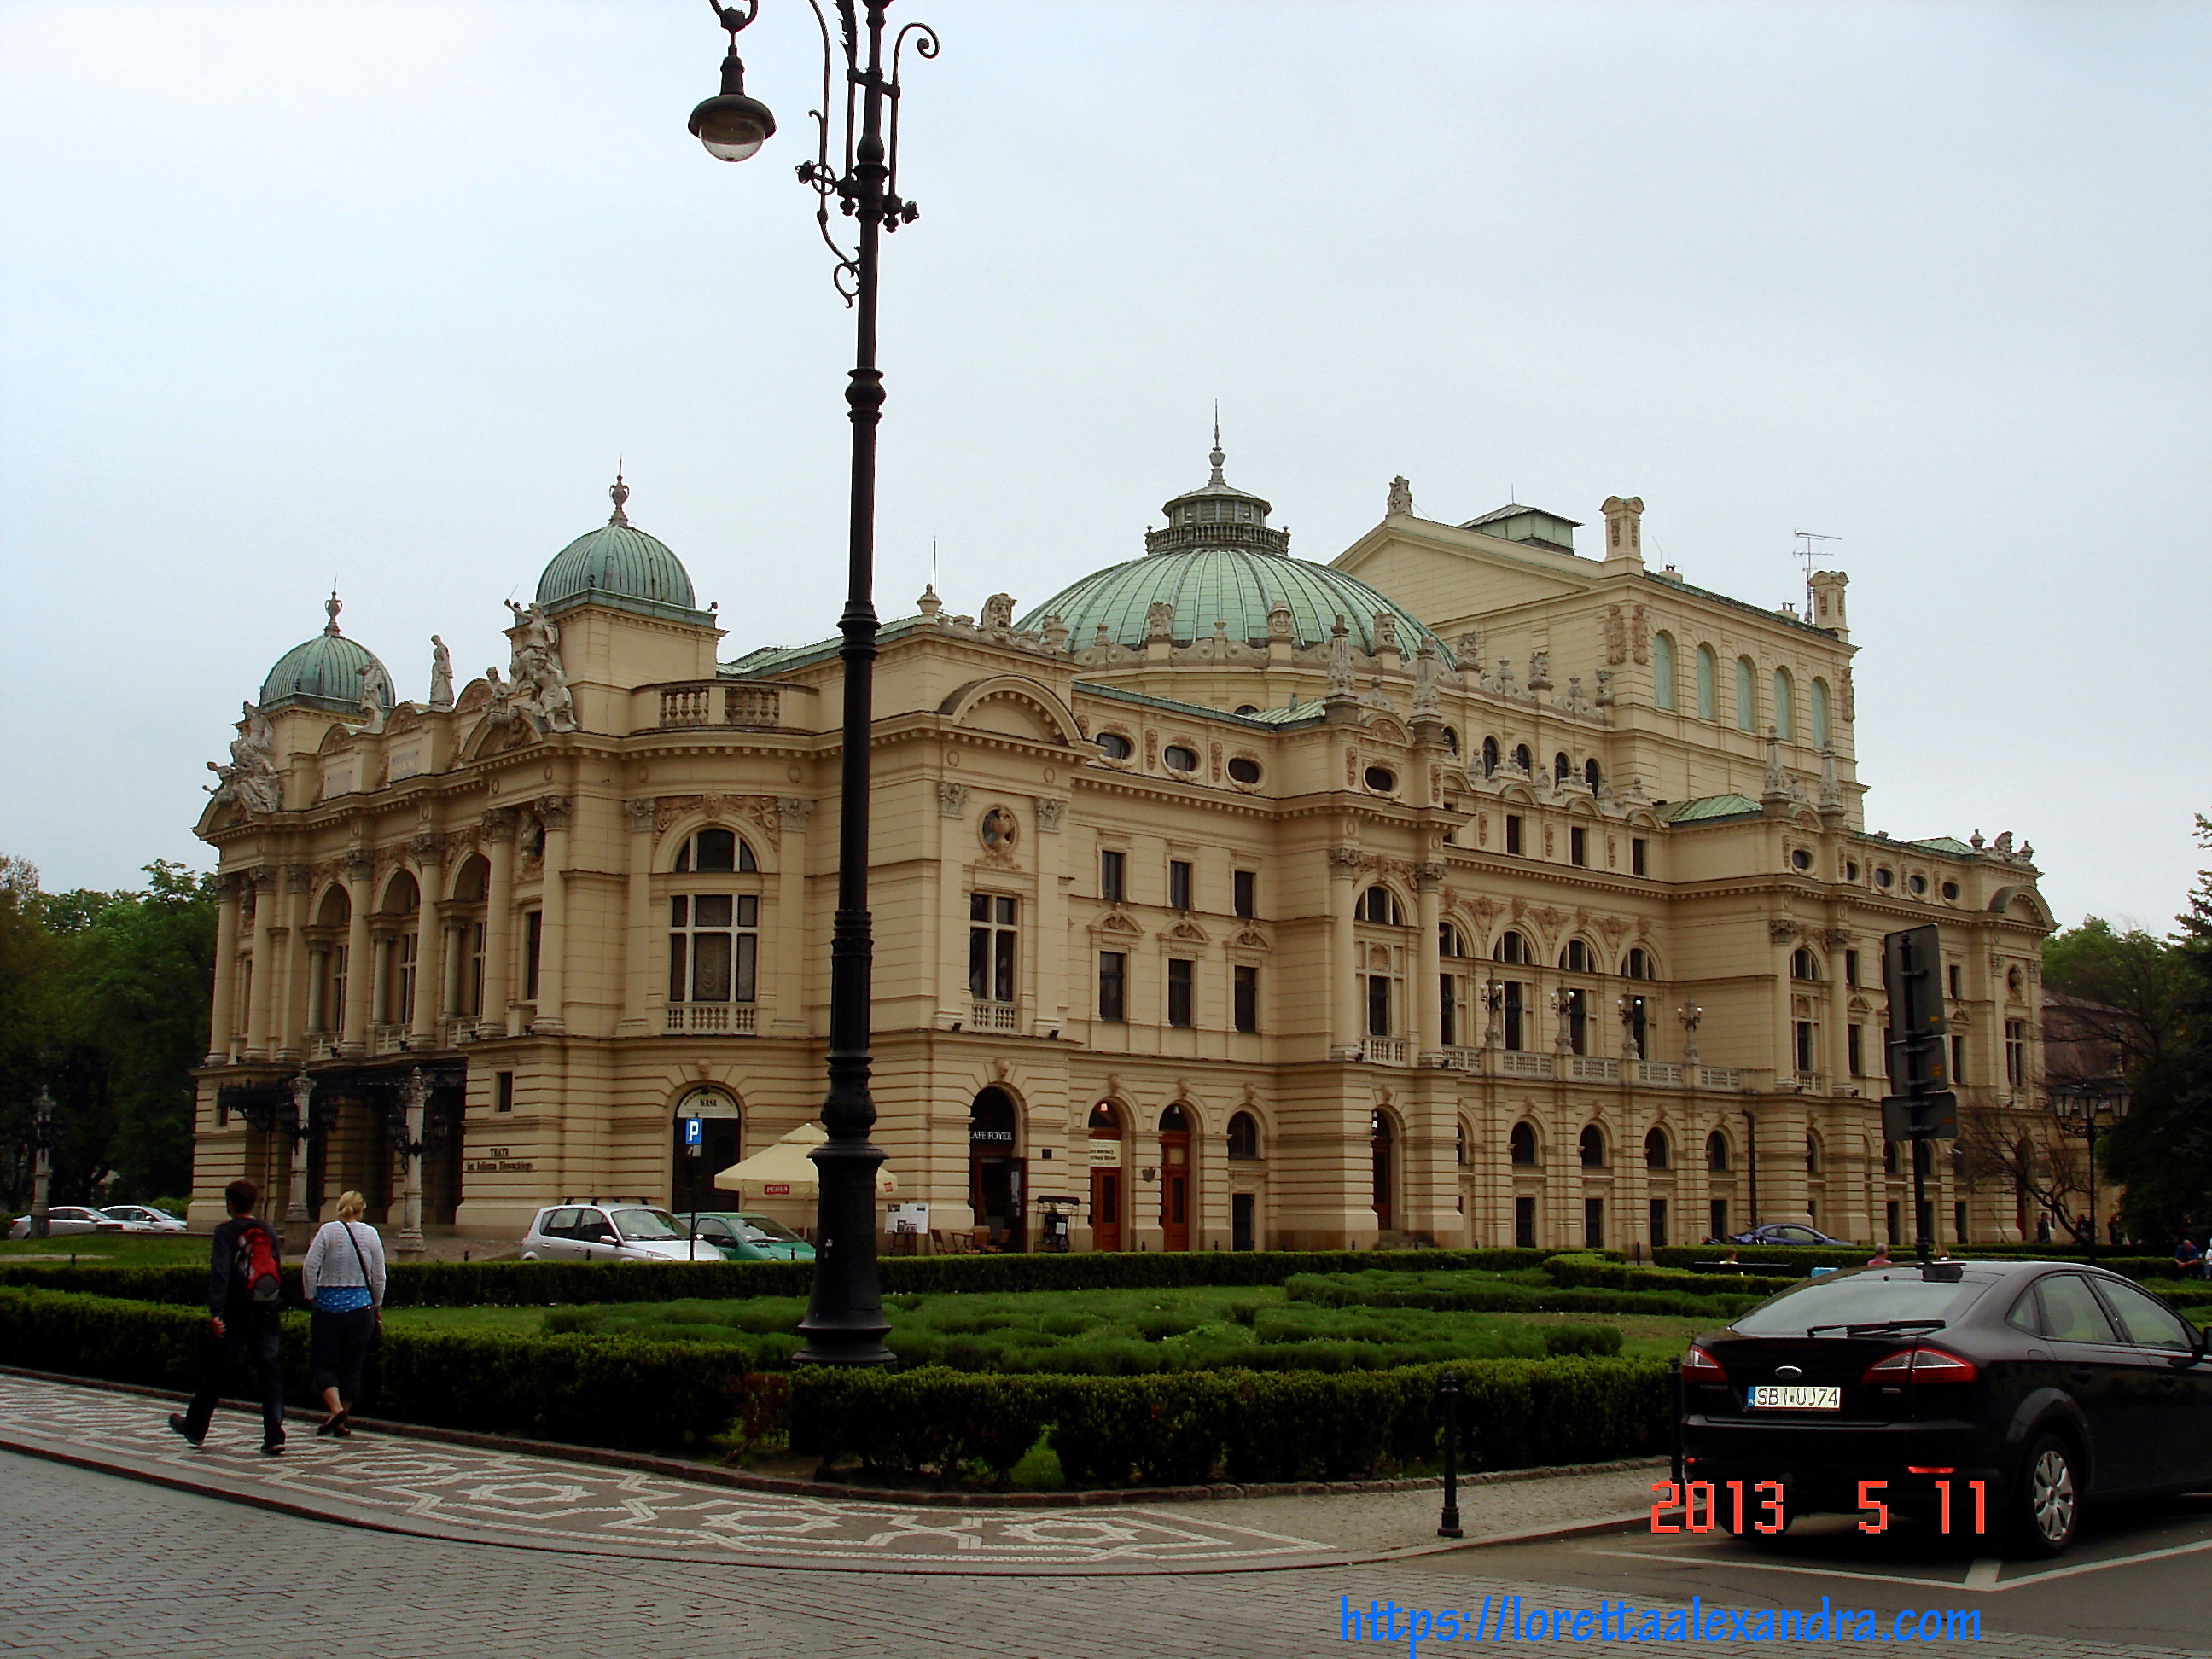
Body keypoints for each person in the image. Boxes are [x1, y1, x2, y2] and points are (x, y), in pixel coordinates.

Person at [169, 1178, 287, 1455]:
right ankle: (275, 1435)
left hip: (237, 1312)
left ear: (229, 1204)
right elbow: (276, 1267)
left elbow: (220, 1273)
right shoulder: (267, 1229)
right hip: (268, 1309)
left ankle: (195, 1427)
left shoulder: (226, 1232)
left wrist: (217, 1312)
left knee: (216, 1371)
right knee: (270, 1372)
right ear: (254, 1202)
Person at [301, 1190, 387, 1436]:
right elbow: (379, 1276)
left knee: (322, 1363)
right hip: (361, 1309)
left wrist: (312, 1295)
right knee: (352, 1365)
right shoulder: (370, 1233)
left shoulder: (327, 1231)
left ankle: (335, 1408)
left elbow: (309, 1268)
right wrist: (377, 1304)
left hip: (328, 1307)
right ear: (362, 1209)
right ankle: (342, 1418)